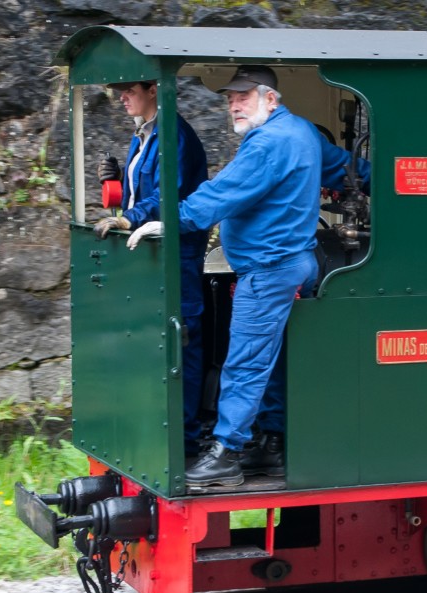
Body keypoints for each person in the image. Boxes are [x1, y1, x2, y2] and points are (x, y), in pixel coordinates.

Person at [127, 65, 370, 488]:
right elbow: (348, 169)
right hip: (293, 263)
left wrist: (170, 219)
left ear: (271, 99)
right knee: (271, 358)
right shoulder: (301, 133)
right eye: (230, 98)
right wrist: (385, 183)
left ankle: (227, 453)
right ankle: (270, 444)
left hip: (270, 267)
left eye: (244, 96)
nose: (234, 105)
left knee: (245, 361)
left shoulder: (270, 142)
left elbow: (223, 192)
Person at [96, 80, 210, 457]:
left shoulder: (174, 135)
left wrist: (128, 218)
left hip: (177, 252)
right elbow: (141, 194)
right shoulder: (142, 136)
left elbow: (166, 198)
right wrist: (116, 187)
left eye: (129, 90)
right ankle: (158, 432)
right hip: (152, 250)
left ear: (153, 90)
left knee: (183, 341)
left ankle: (186, 437)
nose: (121, 97)